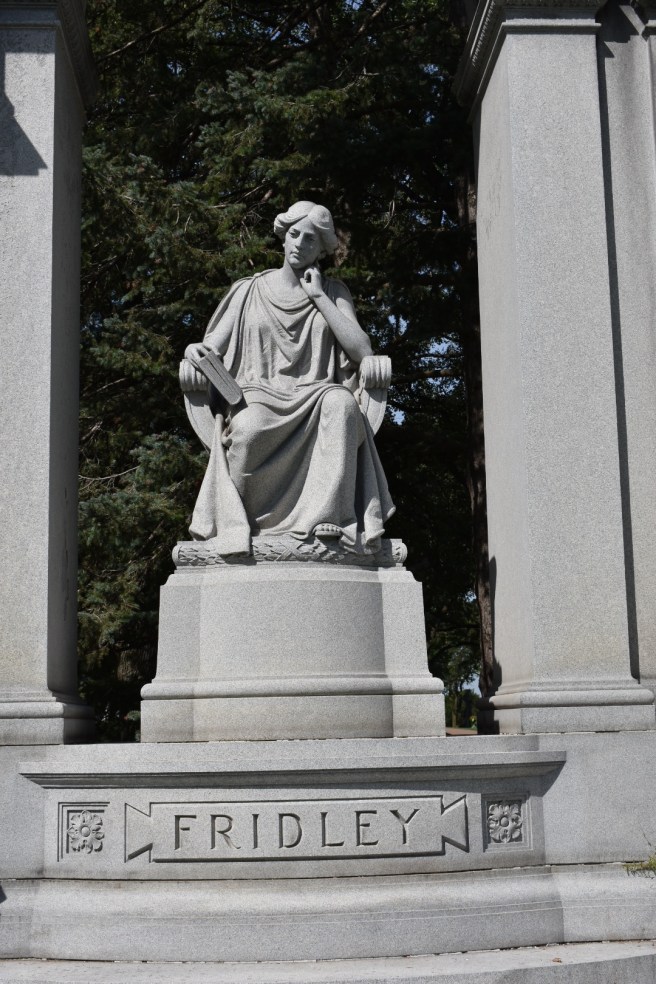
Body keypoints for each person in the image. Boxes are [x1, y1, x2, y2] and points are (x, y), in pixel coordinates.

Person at [182, 200, 394, 556]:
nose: (300, 244)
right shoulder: (248, 290)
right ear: (283, 236)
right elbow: (212, 346)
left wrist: (318, 297)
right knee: (248, 429)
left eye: (311, 239)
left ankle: (327, 518)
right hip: (257, 396)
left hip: (317, 393)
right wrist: (195, 353)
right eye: (295, 234)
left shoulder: (333, 292)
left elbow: (361, 350)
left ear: (322, 249)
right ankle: (247, 523)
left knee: (342, 405)